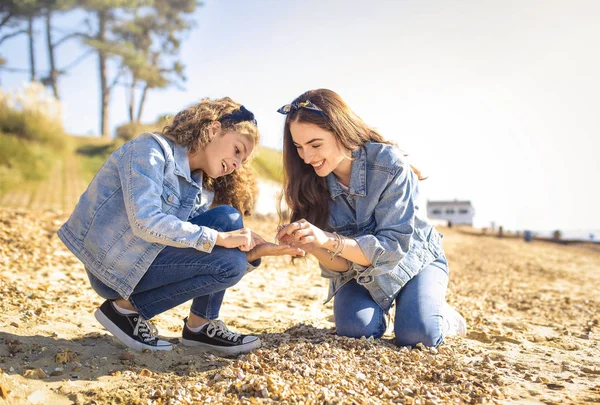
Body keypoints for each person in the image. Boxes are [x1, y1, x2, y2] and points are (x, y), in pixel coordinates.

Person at [58, 97, 302, 354]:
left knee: (229, 220)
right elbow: (145, 221)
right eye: (237, 150)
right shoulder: (150, 149)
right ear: (213, 130)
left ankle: (200, 325)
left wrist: (252, 253)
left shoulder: (199, 188)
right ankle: (125, 309)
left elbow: (193, 252)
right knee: (228, 253)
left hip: (146, 263)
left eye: (242, 161)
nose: (236, 164)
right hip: (114, 268)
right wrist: (220, 240)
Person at [275, 89, 466, 347]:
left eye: (315, 145)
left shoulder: (388, 165)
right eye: (299, 147)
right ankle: (390, 311)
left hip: (414, 261)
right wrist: (313, 245)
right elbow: (341, 267)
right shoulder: (311, 184)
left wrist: (329, 239)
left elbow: (392, 249)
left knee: (418, 335)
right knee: (355, 330)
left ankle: (445, 316)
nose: (307, 158)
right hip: (360, 273)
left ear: (340, 131)